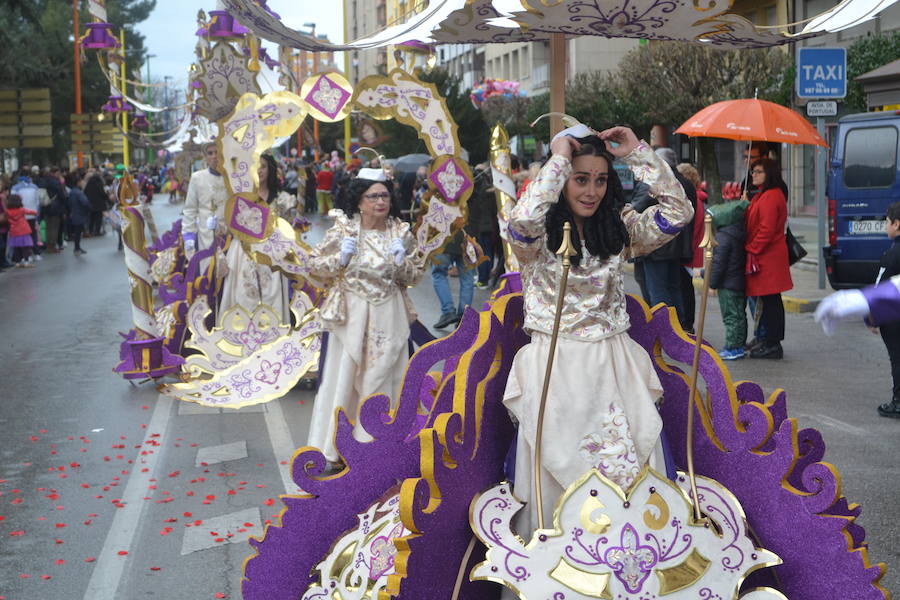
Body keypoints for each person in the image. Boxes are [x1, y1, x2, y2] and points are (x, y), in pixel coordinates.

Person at [504, 124, 693, 533]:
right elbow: (521, 222)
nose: (591, 191)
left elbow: (680, 213)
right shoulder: (535, 239)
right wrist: (557, 160)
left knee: (630, 471)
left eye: (601, 180)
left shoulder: (619, 227)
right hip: (555, 366)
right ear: (561, 181)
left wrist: (637, 153)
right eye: (581, 179)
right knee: (557, 474)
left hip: (614, 363)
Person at [306, 169, 423, 469]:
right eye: (373, 196)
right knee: (345, 376)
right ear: (359, 201)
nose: (380, 201)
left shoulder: (400, 232)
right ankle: (336, 447)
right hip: (352, 316)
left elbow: (416, 275)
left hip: (389, 314)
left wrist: (402, 263)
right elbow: (314, 267)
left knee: (387, 374)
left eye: (384, 195)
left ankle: (381, 446)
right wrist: (339, 259)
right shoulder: (343, 231)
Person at [815, 202, 900, 419]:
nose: (886, 226)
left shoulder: (892, 255)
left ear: (896, 225)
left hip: (894, 318)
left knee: (897, 356)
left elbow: (880, 290)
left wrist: (871, 317)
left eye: (887, 222)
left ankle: (898, 401)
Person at [219, 154, 292, 325]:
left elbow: (287, 227)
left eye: (263, 166)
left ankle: (272, 334)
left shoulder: (281, 198)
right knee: (243, 293)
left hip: (270, 253)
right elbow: (227, 227)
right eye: (255, 166)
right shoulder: (238, 196)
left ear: (270, 169)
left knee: (272, 294)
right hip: (243, 252)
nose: (259, 170)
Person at [631, 147, 696, 331]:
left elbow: (638, 206)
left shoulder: (657, 181)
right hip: (677, 245)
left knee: (658, 289)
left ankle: (664, 329)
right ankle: (679, 326)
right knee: (674, 287)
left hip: (658, 244)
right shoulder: (684, 181)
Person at [744, 158, 791, 359]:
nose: (753, 174)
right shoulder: (763, 194)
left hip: (768, 256)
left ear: (769, 173)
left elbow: (766, 229)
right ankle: (766, 339)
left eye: (759, 171)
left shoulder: (772, 196)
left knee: (771, 301)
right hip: (765, 255)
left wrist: (752, 249)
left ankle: (773, 343)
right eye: (753, 171)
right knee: (767, 300)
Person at [708, 200, 749, 360]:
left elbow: (719, 264)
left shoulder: (723, 237)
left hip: (727, 284)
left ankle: (733, 347)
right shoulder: (738, 233)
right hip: (737, 282)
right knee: (739, 314)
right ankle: (739, 344)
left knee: (731, 316)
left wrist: (712, 284)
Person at [182, 142, 228, 259]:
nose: (214, 156)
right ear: (205, 157)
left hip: (229, 235)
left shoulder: (232, 178)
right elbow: (190, 209)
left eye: (217, 152)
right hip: (205, 236)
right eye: (210, 153)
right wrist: (189, 236)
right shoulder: (197, 178)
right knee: (208, 271)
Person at [676, 162, 707, 333]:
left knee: (685, 288)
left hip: (689, 251)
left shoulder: (693, 200)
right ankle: (688, 323)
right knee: (685, 287)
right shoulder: (698, 199)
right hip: (692, 250)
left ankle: (687, 324)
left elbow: (693, 229)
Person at [431, 229, 476, 330]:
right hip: (469, 239)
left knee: (439, 274)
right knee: (467, 279)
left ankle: (448, 312)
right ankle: (464, 316)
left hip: (444, 238)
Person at [5, 194, 38, 267]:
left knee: (16, 248)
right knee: (25, 247)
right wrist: (35, 212)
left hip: (14, 232)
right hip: (23, 231)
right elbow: (31, 212)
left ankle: (17, 262)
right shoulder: (21, 210)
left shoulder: (7, 211)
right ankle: (26, 262)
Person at [66, 171, 92, 256]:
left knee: (77, 232)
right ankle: (77, 248)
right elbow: (85, 202)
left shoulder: (72, 192)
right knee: (78, 232)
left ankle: (77, 247)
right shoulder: (78, 192)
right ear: (78, 183)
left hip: (74, 213)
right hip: (79, 214)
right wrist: (88, 208)